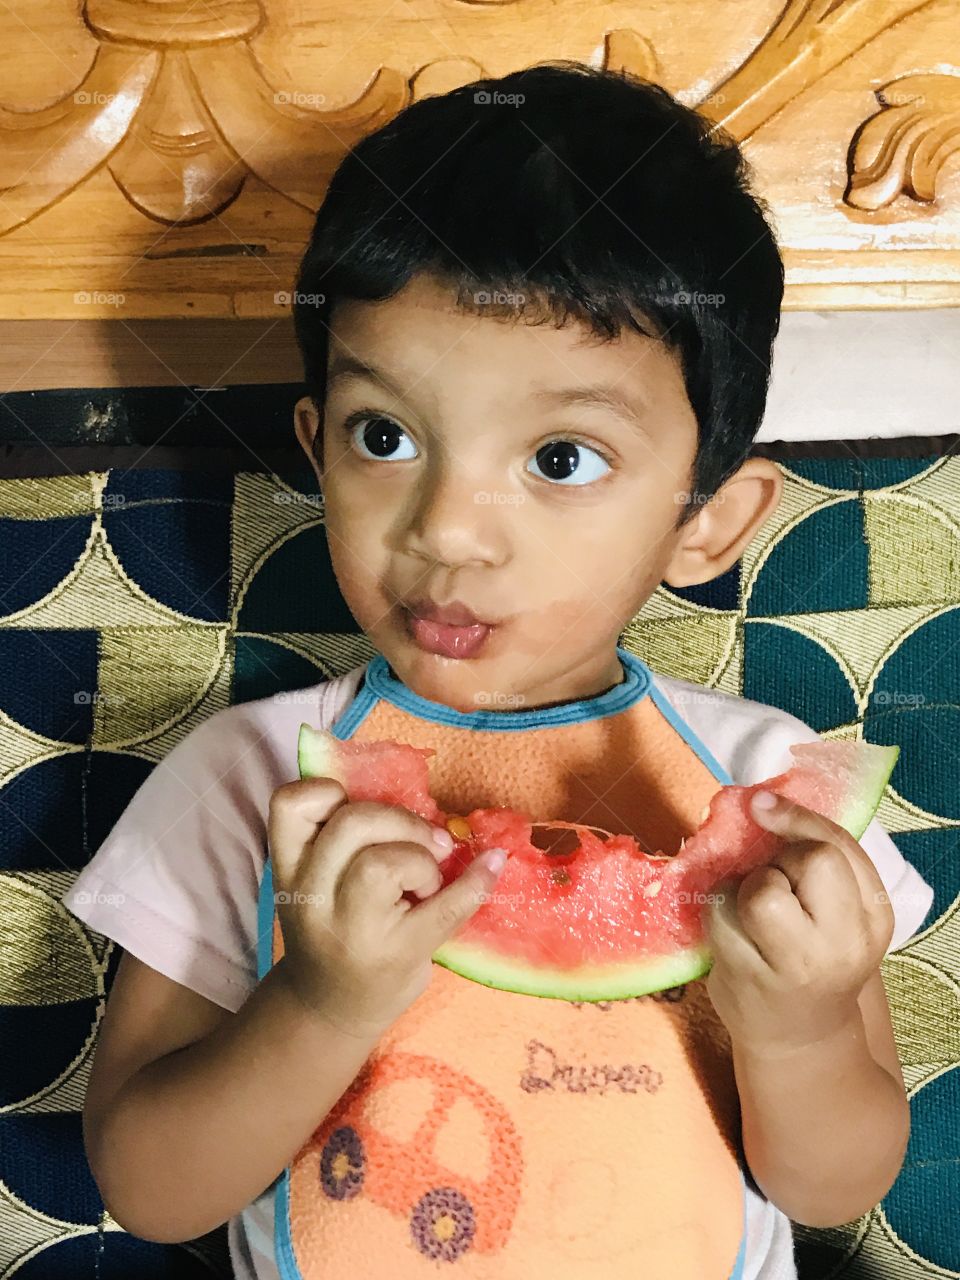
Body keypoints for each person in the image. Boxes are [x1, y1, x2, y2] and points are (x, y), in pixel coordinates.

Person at [64, 62, 934, 1280]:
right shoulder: (252, 781)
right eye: (387, 435)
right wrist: (317, 1002)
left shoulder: (774, 787)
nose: (446, 528)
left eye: (562, 455)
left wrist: (794, 1031)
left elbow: (835, 1181)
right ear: (317, 449)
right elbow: (151, 1189)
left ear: (710, 520)